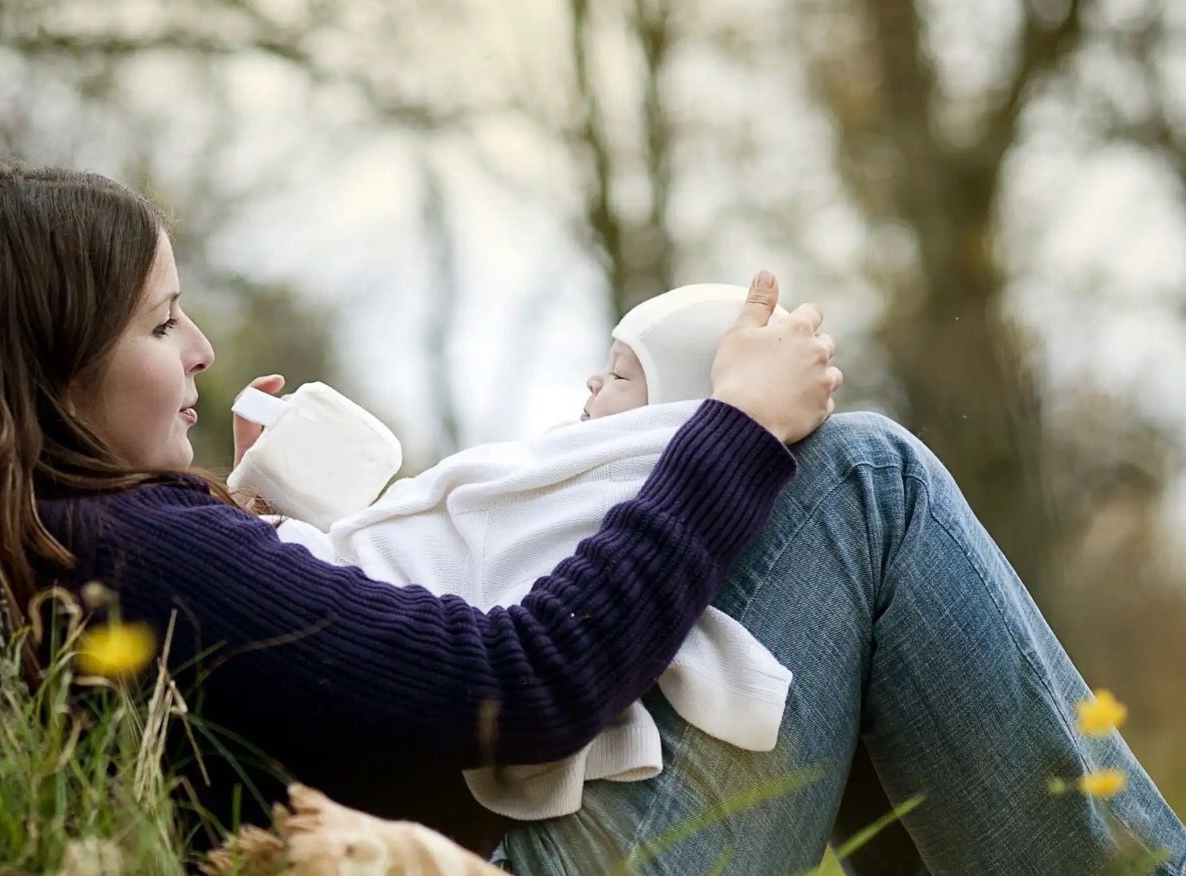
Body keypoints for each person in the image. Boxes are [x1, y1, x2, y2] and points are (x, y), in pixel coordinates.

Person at [0, 160, 1186, 876]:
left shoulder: (101, 540)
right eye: (163, 324)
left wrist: (261, 528)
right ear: (52, 367)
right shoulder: (130, 547)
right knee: (859, 479)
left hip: (490, 863)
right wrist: (730, 431)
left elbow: (327, 695)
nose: (207, 347)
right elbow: (525, 683)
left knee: (812, 575)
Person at [250, 286, 799, 824]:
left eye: (621, 375)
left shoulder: (602, 482)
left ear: (662, 423)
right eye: (163, 323)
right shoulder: (550, 478)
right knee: (861, 455)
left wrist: (258, 503)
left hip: (346, 639)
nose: (593, 380)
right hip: (464, 768)